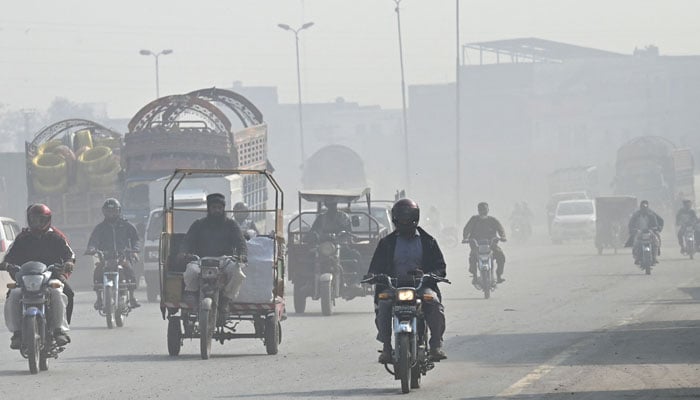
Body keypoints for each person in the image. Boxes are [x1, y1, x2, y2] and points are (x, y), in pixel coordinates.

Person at [366, 198, 447, 363]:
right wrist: (375, 275)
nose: (405, 220)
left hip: (421, 286)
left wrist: (431, 275)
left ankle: (435, 345)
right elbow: (375, 267)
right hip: (393, 287)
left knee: (434, 303)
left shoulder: (428, 241)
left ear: (415, 217)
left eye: (408, 216)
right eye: (401, 217)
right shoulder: (386, 243)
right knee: (383, 304)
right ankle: (387, 348)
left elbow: (440, 266)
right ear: (395, 218)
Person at [2, 204, 74, 349]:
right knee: (13, 295)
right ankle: (16, 332)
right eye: (34, 220)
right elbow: (9, 256)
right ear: (29, 219)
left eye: (41, 220)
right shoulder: (22, 237)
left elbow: (69, 254)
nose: (37, 223)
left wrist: (68, 263)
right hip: (25, 278)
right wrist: (6, 265)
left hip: (51, 275)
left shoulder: (56, 236)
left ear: (47, 219)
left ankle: (59, 330)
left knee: (61, 293)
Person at [179, 193, 248, 305]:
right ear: (209, 209)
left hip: (225, 261)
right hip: (201, 260)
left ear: (223, 209)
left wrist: (242, 255)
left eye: (219, 208)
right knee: (190, 271)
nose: (217, 210)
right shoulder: (199, 224)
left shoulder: (231, 225)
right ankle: (191, 294)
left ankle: (226, 299)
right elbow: (187, 240)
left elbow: (241, 242)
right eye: (214, 207)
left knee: (238, 274)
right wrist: (183, 252)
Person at [86, 198, 141, 309]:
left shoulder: (127, 225)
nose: (111, 214)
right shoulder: (100, 228)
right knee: (97, 272)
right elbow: (93, 241)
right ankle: (99, 299)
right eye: (108, 211)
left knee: (130, 271)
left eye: (113, 211)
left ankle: (132, 297)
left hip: (122, 257)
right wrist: (92, 248)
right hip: (105, 258)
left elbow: (136, 239)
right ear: (104, 212)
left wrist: (135, 249)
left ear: (119, 211)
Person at [462, 202, 507, 284]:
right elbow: (467, 229)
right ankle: (475, 276)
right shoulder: (474, 220)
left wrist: (503, 237)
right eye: (481, 209)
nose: (483, 211)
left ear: (488, 210)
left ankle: (498, 275)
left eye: (485, 209)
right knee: (472, 258)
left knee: (501, 256)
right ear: (478, 210)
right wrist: (465, 238)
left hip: (491, 245)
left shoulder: (492, 220)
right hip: (476, 245)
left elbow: (500, 229)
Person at [626, 200, 664, 265]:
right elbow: (631, 224)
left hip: (650, 231)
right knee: (635, 242)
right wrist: (633, 229)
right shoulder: (636, 215)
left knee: (656, 241)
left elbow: (656, 223)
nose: (644, 209)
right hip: (639, 232)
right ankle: (637, 257)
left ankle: (654, 257)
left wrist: (657, 228)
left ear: (647, 207)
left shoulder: (652, 215)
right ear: (640, 207)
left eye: (645, 208)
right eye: (643, 208)